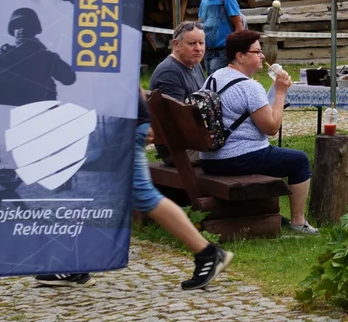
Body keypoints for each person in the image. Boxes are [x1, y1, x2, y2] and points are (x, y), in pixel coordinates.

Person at [36, 89, 232, 290]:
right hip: (116, 119)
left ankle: (207, 253)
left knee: (142, 194)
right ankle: (76, 264)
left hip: (118, 122)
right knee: (93, 190)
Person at [198, 30, 317, 234]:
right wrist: (280, 92)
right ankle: (298, 222)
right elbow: (271, 128)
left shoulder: (214, 77)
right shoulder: (249, 87)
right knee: (300, 160)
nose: (262, 55)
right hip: (237, 157)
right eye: (257, 51)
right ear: (240, 56)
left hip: (209, 158)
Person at [0, 8, 75, 106]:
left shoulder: (47, 57)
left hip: (40, 115)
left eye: (27, 25)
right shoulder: (2, 57)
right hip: (6, 114)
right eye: (17, 26)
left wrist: (51, 59)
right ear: (13, 31)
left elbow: (69, 79)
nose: (21, 29)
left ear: (34, 29)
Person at [148, 21, 207, 165]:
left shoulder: (195, 65)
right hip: (178, 149)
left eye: (201, 43)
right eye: (192, 43)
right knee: (238, 150)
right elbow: (176, 124)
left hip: (192, 141)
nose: (198, 48)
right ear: (176, 44)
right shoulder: (169, 73)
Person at [198, 0, 244, 74]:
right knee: (210, 81)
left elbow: (239, 26)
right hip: (207, 50)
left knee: (217, 83)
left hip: (223, 51)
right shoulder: (204, 2)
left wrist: (234, 50)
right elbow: (200, 25)